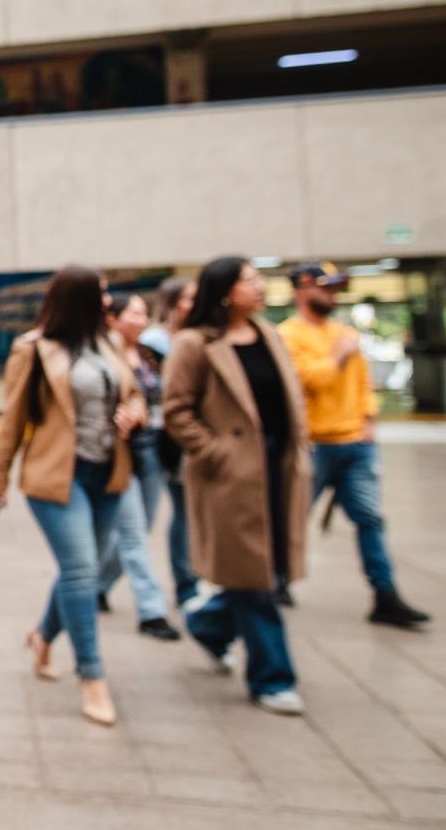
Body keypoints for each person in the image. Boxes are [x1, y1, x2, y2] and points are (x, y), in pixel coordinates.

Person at [0, 265, 145, 726]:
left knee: (84, 569)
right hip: (56, 476)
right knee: (81, 571)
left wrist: (132, 414)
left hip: (107, 472)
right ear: (76, 298)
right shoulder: (33, 349)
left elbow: (135, 393)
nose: (107, 300)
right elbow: (12, 419)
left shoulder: (110, 343)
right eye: (100, 293)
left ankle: (42, 636)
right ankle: (92, 677)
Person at [164, 257, 310, 715]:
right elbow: (176, 410)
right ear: (225, 290)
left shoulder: (270, 335)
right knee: (257, 577)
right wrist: (216, 452)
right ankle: (272, 678)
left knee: (267, 565)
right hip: (232, 476)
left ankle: (207, 622)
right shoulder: (195, 344)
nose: (260, 286)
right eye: (249, 280)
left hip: (278, 469)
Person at [279, 262, 430, 627]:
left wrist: (368, 420)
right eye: (325, 288)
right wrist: (338, 355)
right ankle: (275, 581)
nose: (333, 295)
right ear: (302, 289)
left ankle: (385, 594)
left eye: (335, 288)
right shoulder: (287, 336)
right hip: (312, 446)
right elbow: (307, 382)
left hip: (356, 445)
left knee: (370, 519)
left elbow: (363, 385)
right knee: (292, 519)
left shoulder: (344, 333)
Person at [96, 293, 181, 640]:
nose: (142, 321)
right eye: (134, 313)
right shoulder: (104, 356)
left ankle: (97, 584)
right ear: (113, 319)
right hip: (122, 453)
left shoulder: (151, 355)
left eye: (144, 313)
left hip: (154, 451)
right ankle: (152, 611)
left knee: (140, 530)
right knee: (133, 534)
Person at [139, 275, 201, 608]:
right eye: (189, 297)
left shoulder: (196, 338)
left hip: (186, 437)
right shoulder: (153, 341)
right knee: (142, 520)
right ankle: (101, 584)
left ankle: (187, 585)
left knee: (186, 513)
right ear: (174, 303)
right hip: (157, 437)